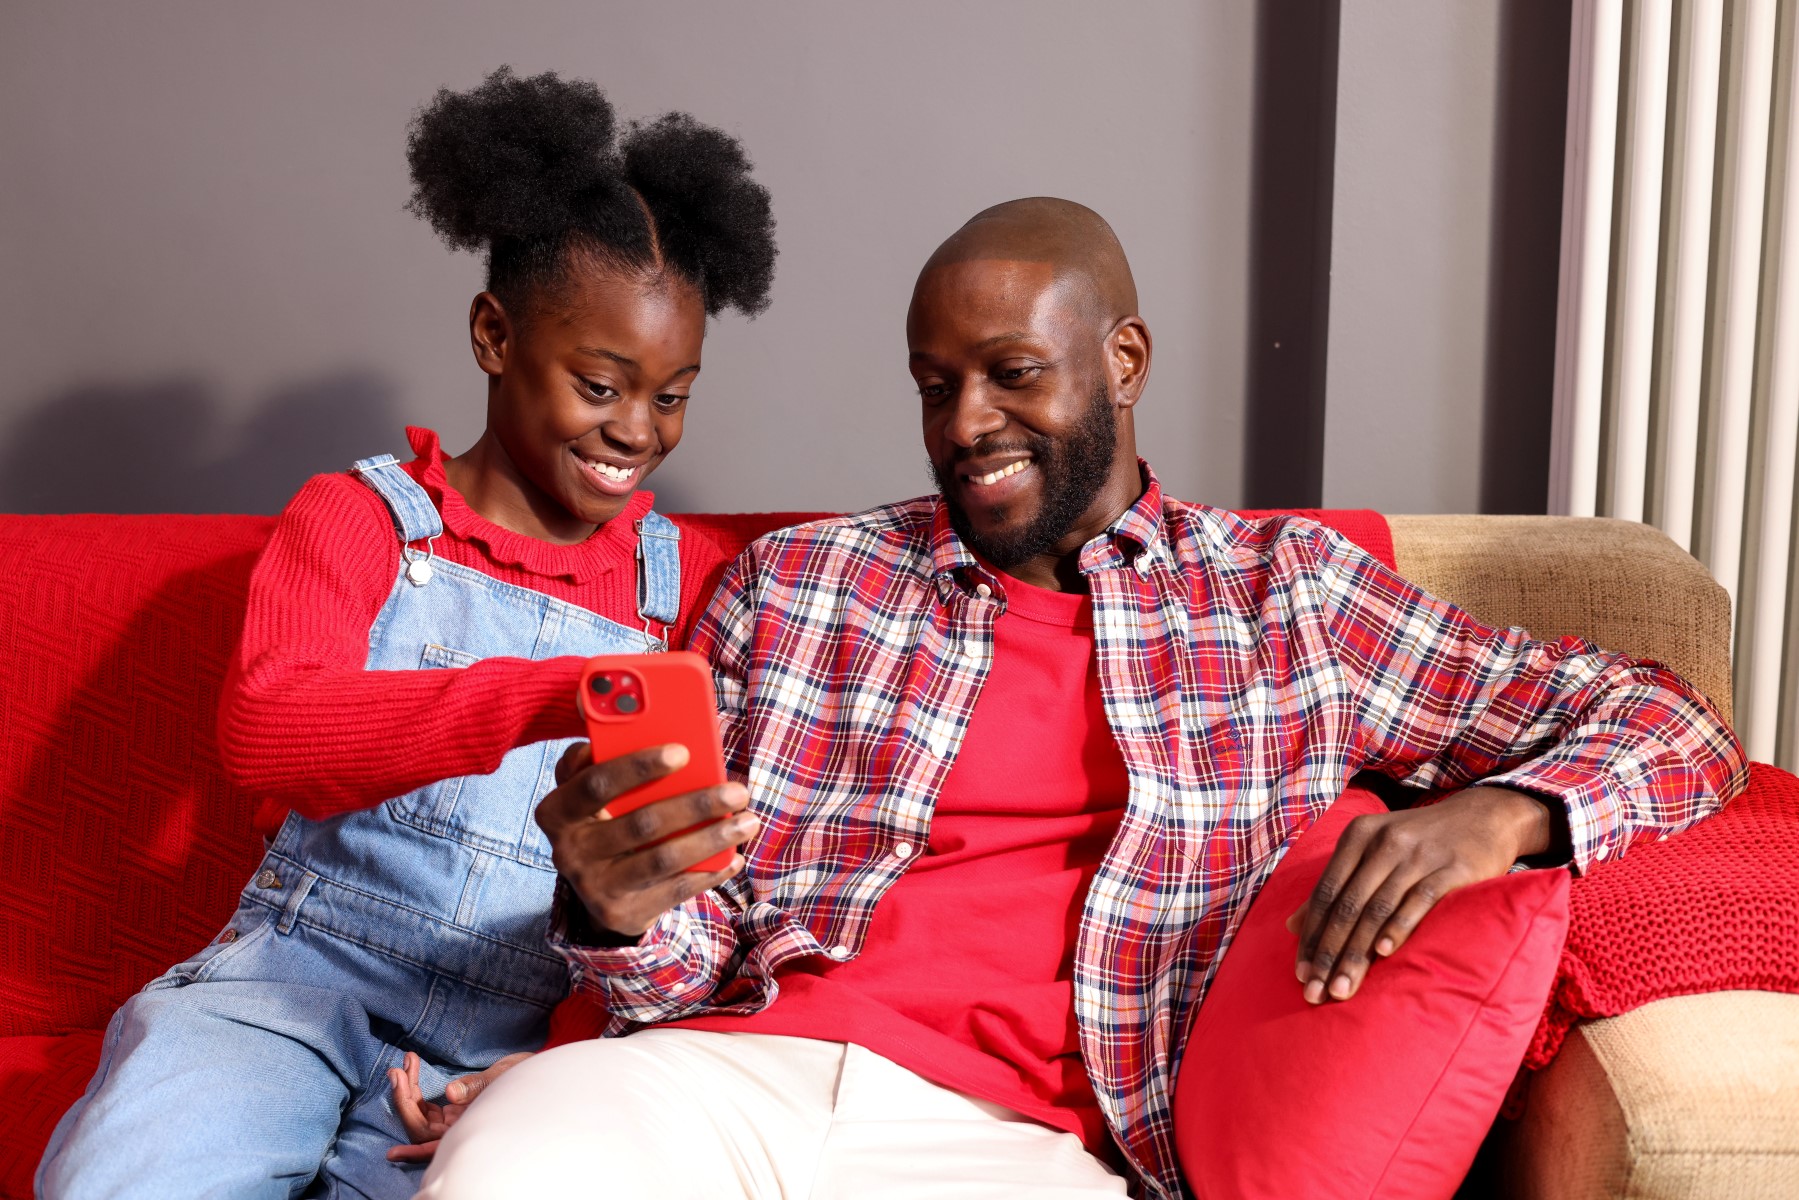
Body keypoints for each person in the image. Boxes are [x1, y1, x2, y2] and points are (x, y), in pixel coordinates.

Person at [409, 198, 1746, 1200]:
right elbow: (673, 983)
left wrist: (1502, 815)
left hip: (1022, 1149)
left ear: (1122, 360)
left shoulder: (1287, 599)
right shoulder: (798, 586)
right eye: (935, 387)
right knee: (511, 1164)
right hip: (719, 1087)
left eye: (1012, 374)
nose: (964, 425)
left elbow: (1671, 720)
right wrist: (612, 908)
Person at [37, 66, 776, 1200]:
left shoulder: (677, 584)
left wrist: (561, 1066)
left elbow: (664, 891)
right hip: (289, 988)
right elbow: (270, 731)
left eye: (672, 393)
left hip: (498, 1044)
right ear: (493, 334)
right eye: (598, 382)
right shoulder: (364, 517)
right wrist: (561, 689)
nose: (637, 428)